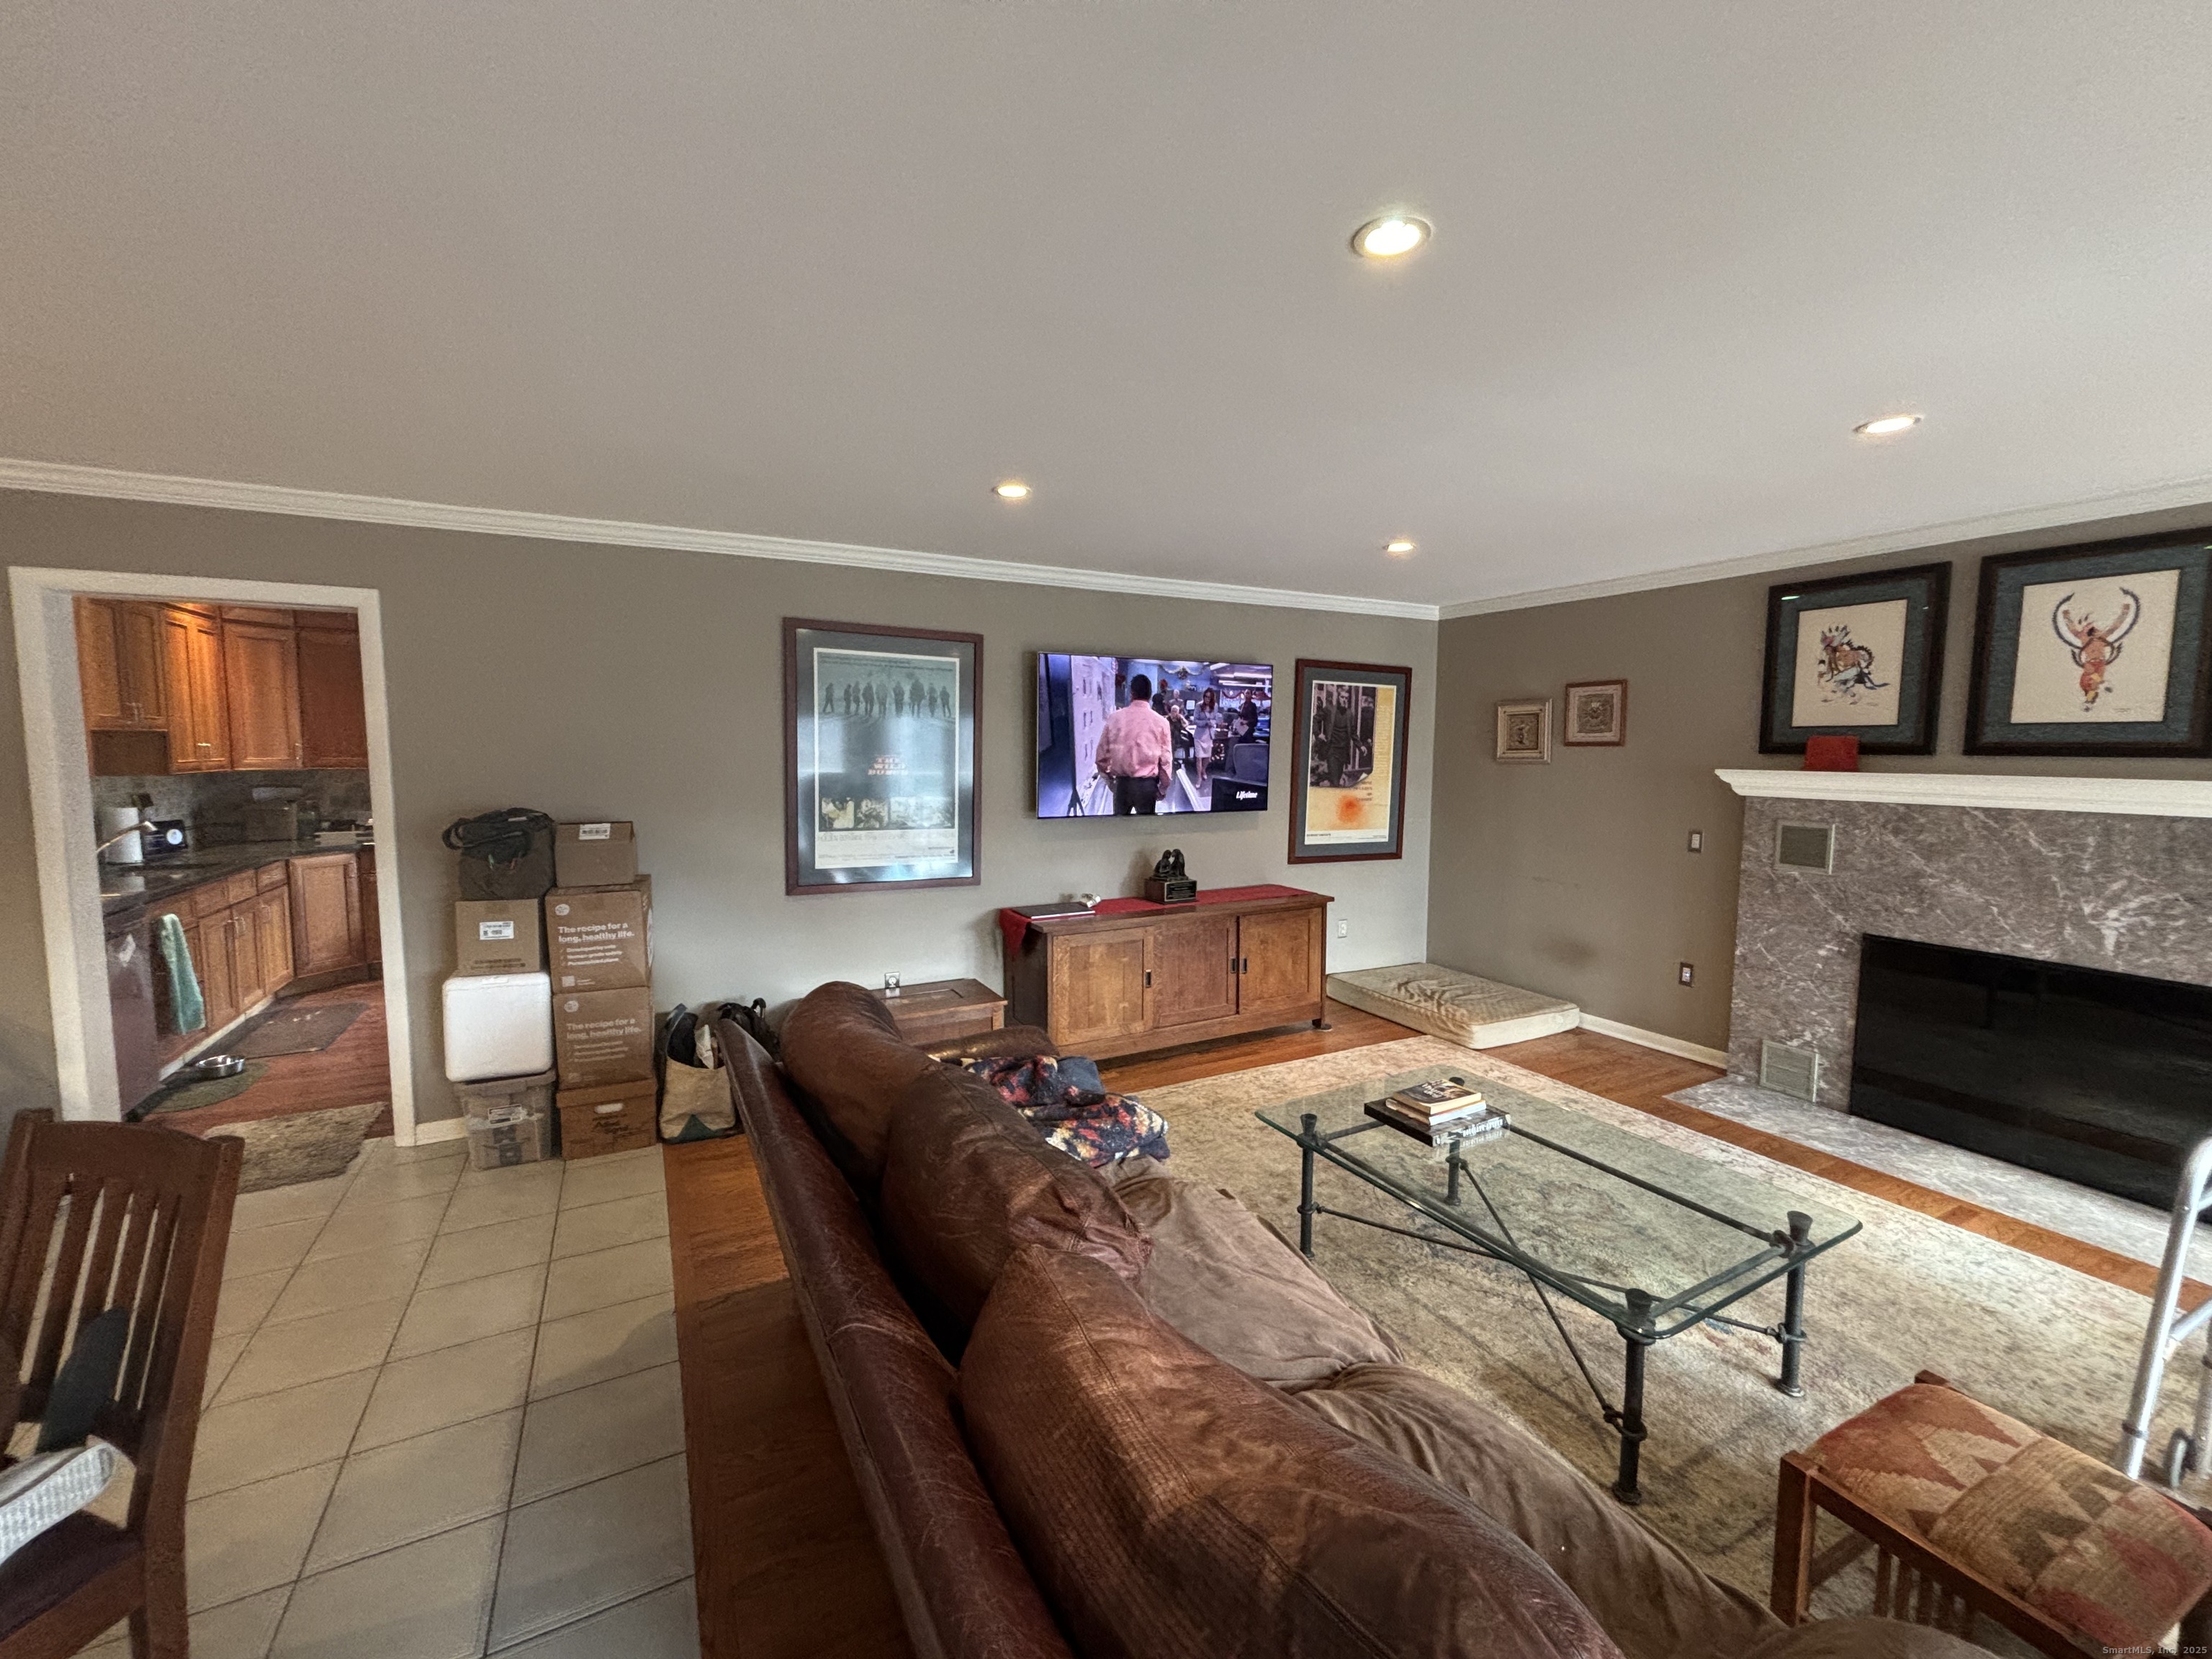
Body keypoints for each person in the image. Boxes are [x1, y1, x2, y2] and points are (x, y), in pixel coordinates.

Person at [1095, 673, 1173, 814]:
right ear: (1150, 695)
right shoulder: (1162, 722)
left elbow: (1101, 758)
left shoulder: (1114, 718)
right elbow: (1166, 760)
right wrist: (1163, 787)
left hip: (1122, 785)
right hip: (1147, 787)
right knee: (1145, 834)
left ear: (1131, 693)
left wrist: (1112, 783)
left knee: (1121, 832)